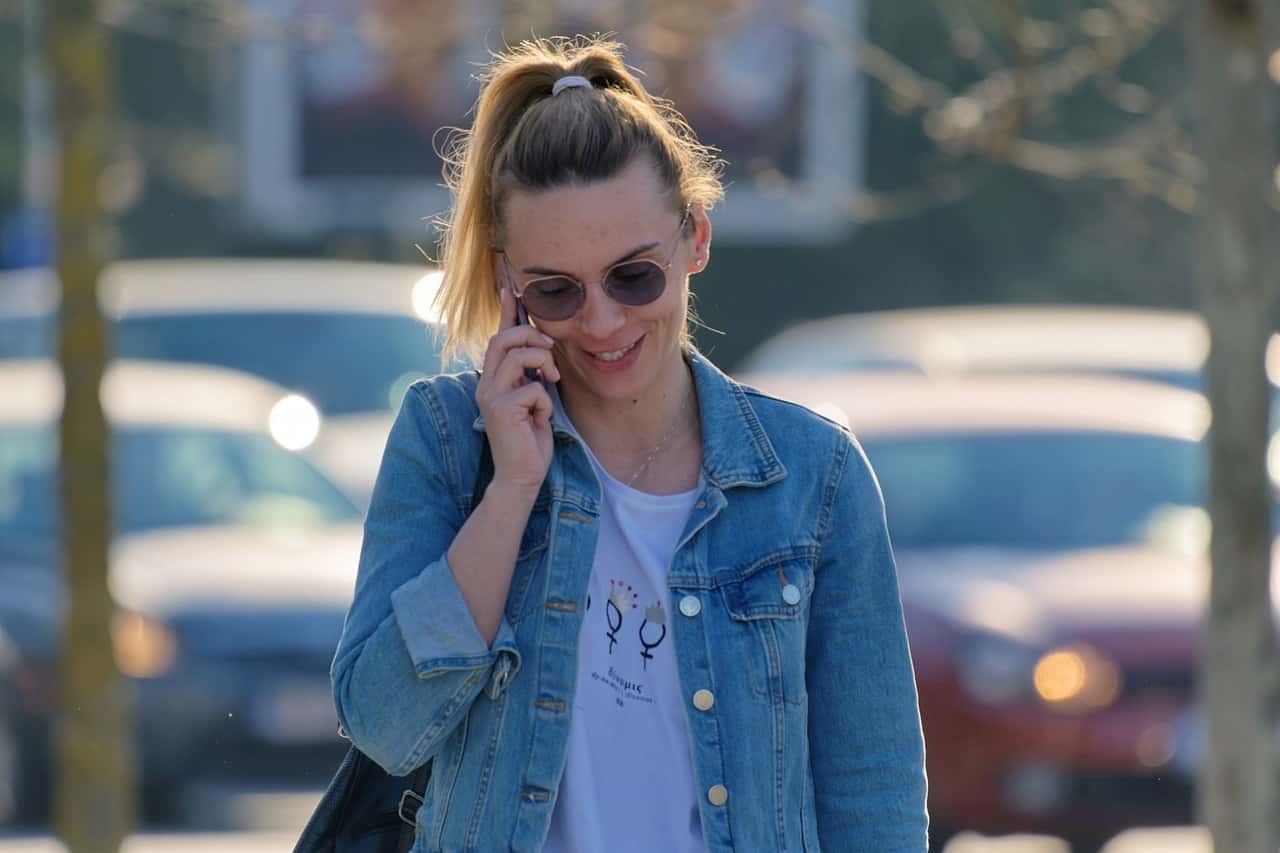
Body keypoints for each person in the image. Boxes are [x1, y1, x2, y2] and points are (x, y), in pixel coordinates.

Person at [331, 35, 928, 852]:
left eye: (634, 275)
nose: (603, 320)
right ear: (509, 286)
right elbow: (382, 724)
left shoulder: (812, 477)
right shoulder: (447, 442)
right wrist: (511, 491)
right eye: (556, 290)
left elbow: (873, 796)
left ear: (696, 239)